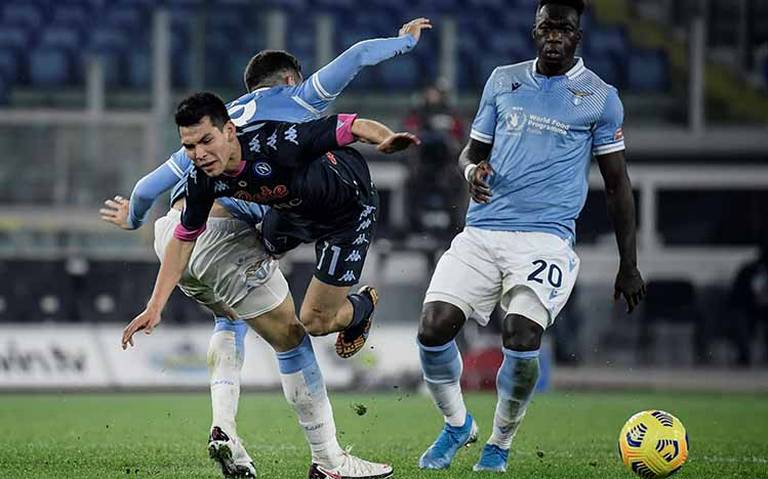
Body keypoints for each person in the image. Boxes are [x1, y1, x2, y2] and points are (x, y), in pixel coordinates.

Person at [414, 0, 647, 473]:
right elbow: (470, 154)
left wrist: (629, 263)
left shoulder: (600, 97)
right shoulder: (503, 80)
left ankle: (498, 443)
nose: (555, 36)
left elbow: (618, 186)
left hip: (545, 239)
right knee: (433, 328)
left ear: (578, 36)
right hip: (482, 232)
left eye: (565, 29)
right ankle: (457, 425)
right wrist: (470, 171)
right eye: (547, 27)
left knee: (520, 335)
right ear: (534, 31)